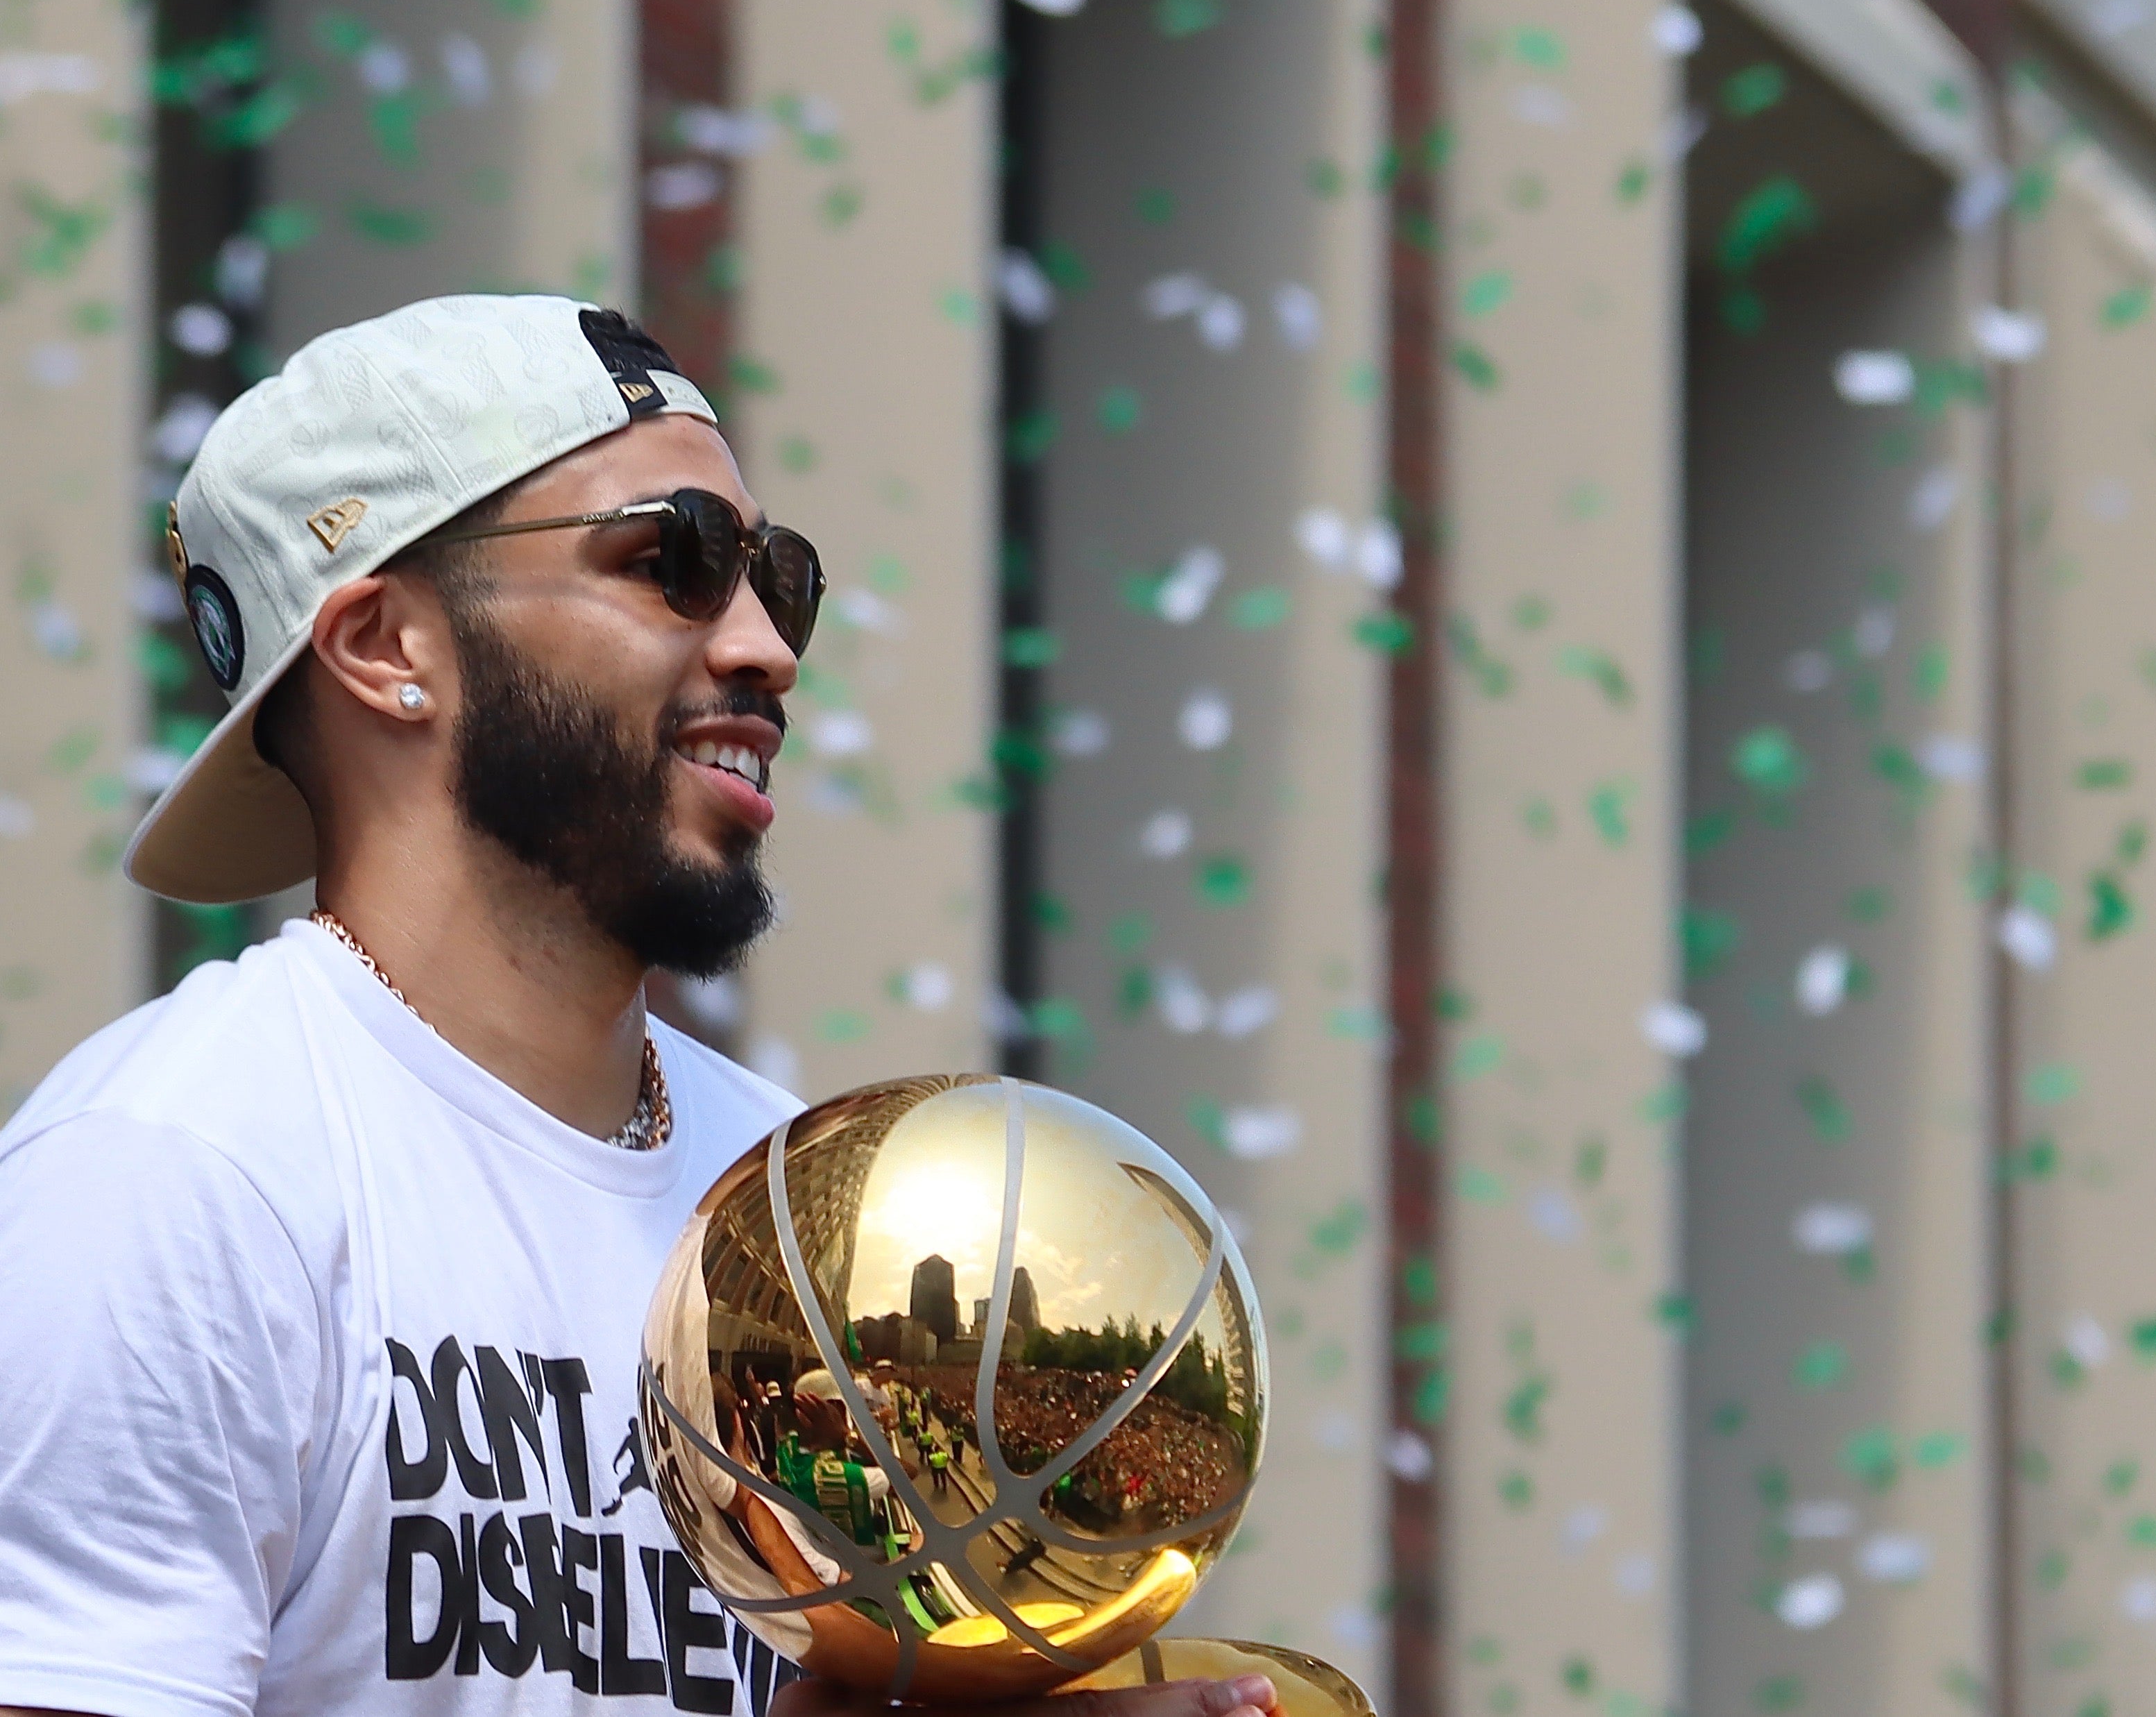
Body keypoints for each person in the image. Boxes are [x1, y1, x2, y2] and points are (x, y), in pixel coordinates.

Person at [0, 296, 1276, 1717]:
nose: (767, 650)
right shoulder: (172, 1181)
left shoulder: (803, 1208)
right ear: (384, 647)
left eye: (777, 579)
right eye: (672, 559)